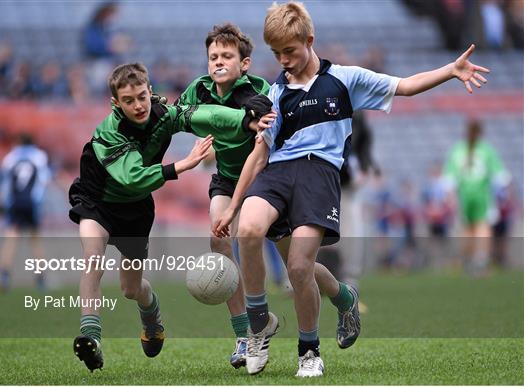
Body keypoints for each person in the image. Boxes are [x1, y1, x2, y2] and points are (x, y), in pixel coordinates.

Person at [214, 1, 490, 377]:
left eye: (290, 51)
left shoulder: (345, 79)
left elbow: (405, 86)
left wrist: (450, 70)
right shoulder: (275, 94)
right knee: (247, 229)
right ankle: (259, 324)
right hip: (277, 174)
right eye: (276, 53)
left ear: (310, 40)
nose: (283, 60)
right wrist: (231, 207)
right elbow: (261, 154)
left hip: (319, 175)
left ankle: (310, 350)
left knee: (299, 268)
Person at [68, 62, 267, 372]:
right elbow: (132, 177)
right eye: (129, 100)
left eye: (141, 97)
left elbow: (204, 115)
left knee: (131, 289)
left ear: (150, 92)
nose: (137, 106)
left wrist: (244, 121)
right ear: (115, 103)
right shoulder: (110, 133)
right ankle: (90, 336)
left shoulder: (163, 115)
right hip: (97, 202)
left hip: (135, 211)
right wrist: (182, 165)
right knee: (93, 257)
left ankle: (151, 314)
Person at [178, 23, 355, 369]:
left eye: (226, 55)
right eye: (212, 56)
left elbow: (271, 140)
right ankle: (246, 333)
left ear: (243, 63)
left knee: (299, 267)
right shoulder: (198, 90)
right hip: (228, 182)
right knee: (219, 235)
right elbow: (177, 116)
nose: (218, 62)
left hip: (268, 183)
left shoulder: (262, 90)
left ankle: (343, 296)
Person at [444, 119, 510, 276]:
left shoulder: (457, 149)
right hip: (482, 194)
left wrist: (450, 196)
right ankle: (480, 261)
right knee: (482, 226)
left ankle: (468, 261)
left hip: (464, 195)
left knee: (467, 228)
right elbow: (501, 176)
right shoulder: (486, 149)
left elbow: (449, 179)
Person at [0, 133, 52, 292]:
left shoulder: (10, 157)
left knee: (11, 238)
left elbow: (0, 182)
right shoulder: (40, 156)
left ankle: (4, 276)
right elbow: (45, 180)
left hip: (14, 203)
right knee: (35, 240)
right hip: (32, 203)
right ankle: (41, 279)